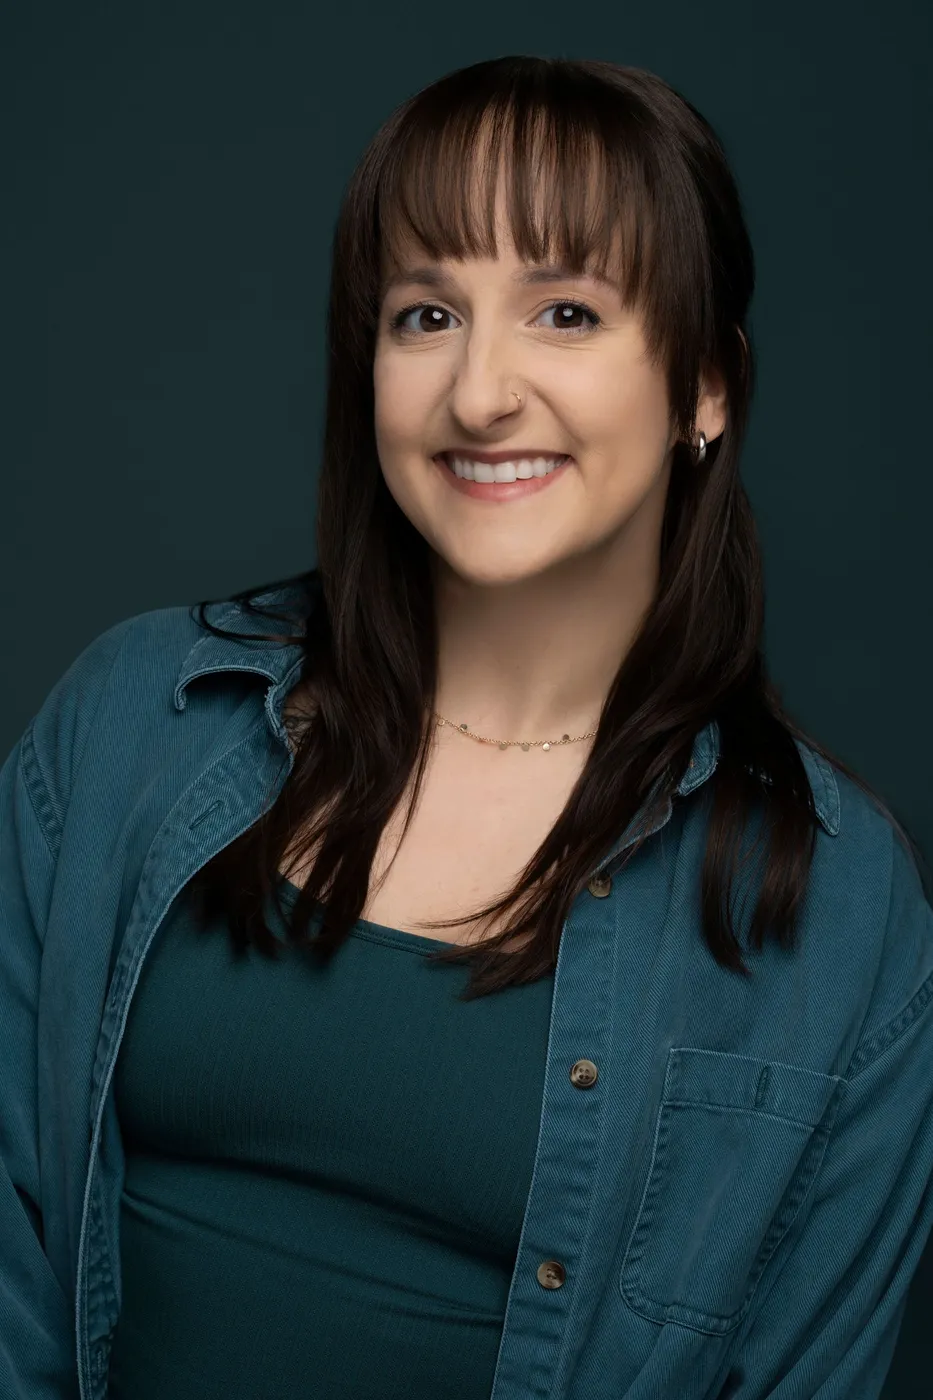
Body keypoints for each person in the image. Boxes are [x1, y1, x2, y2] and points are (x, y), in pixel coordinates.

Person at [1, 54, 931, 1400]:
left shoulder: (840, 913)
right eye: (425, 315)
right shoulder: (137, 716)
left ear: (708, 387)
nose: (481, 393)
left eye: (565, 311)